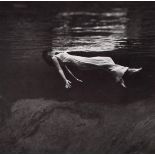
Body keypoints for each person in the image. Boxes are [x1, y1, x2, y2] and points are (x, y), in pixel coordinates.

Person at [42, 51, 142, 89]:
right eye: (50, 51)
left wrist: (75, 78)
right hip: (80, 62)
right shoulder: (54, 57)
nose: (52, 50)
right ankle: (128, 71)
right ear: (49, 55)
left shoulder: (57, 56)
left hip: (80, 61)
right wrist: (65, 81)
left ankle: (119, 77)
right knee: (103, 63)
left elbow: (67, 69)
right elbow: (60, 70)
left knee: (106, 60)